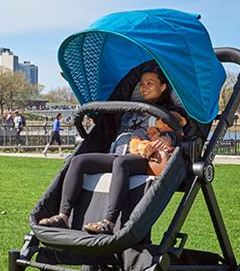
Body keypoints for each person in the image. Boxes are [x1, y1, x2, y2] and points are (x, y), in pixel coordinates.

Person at [39, 67, 187, 234]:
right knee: (78, 161)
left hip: (143, 158)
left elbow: (176, 131)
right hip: (116, 154)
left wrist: (167, 138)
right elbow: (108, 127)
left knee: (121, 162)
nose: (143, 87)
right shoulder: (129, 109)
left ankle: (109, 222)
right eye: (141, 84)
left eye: (150, 83)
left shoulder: (168, 111)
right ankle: (63, 217)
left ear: (163, 87)